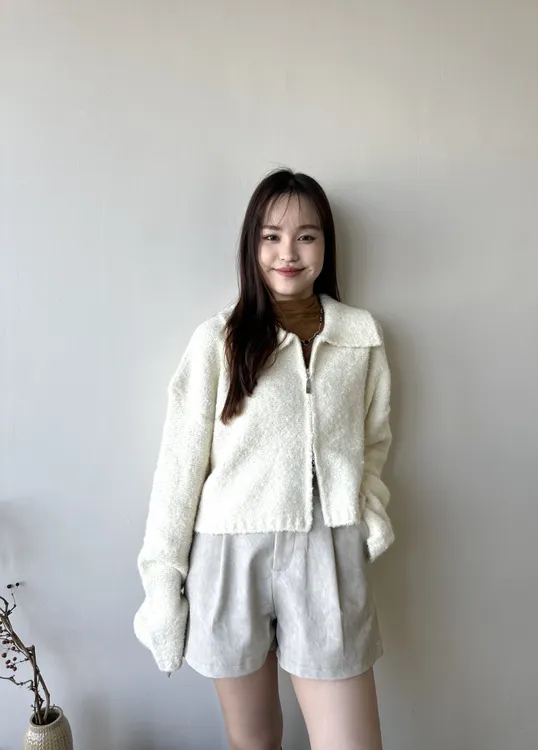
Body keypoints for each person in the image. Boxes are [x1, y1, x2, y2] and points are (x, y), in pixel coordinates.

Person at [134, 168, 395, 750]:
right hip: (229, 554)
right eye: (271, 236)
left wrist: (367, 510)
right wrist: (163, 585)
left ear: (326, 245)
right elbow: (179, 470)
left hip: (328, 547)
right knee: (254, 743)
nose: (288, 252)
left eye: (306, 236)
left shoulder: (359, 337)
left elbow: (374, 440)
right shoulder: (218, 340)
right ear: (252, 245)